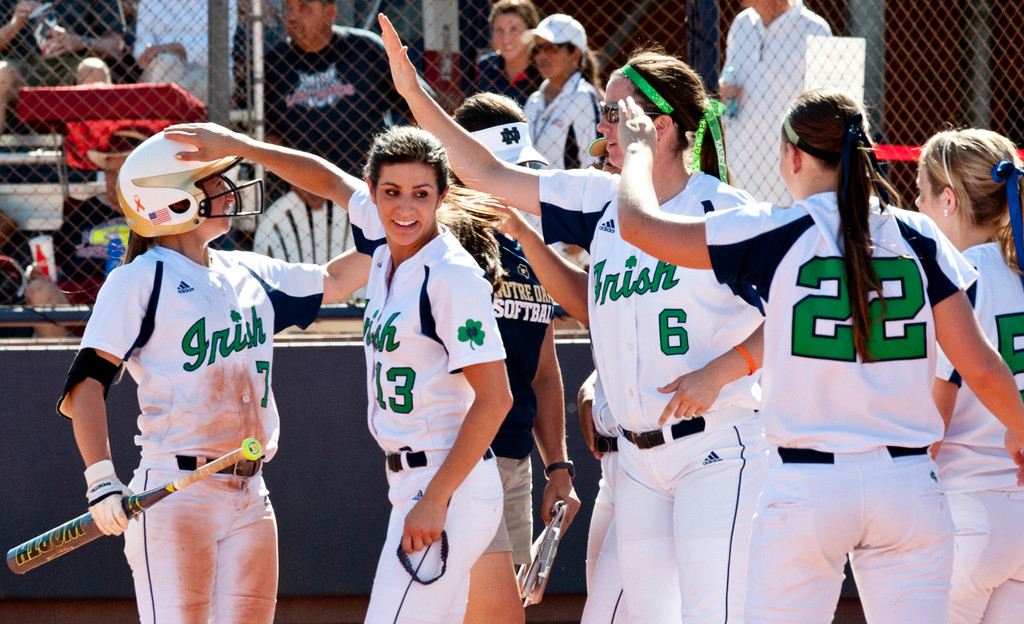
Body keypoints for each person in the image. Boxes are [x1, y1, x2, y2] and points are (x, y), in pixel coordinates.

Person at [382, 16, 769, 622]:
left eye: (616, 113)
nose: (602, 124)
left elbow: (794, 306)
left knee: (712, 614)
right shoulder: (600, 199)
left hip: (716, 449)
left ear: (660, 127)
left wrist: (725, 367)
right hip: (636, 462)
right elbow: (486, 174)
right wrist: (415, 95)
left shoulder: (726, 210)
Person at [612, 87, 1024, 622]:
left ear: (794, 156)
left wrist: (639, 150)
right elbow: (986, 369)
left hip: (806, 486)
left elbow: (638, 226)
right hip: (905, 484)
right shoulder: (919, 234)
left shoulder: (775, 230)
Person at [164, 121, 513, 622]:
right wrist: (244, 147)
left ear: (442, 197)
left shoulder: (451, 275)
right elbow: (327, 181)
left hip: (444, 483)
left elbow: (496, 399)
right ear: (372, 193)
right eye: (390, 193)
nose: (405, 207)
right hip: (416, 481)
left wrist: (436, 499)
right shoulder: (389, 244)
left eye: (421, 193)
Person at [55, 130, 370, 623]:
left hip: (251, 494)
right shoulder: (140, 277)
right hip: (176, 491)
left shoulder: (249, 271)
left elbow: (343, 278)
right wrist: (100, 482)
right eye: (211, 182)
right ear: (172, 199)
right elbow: (86, 384)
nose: (228, 189)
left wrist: (383, 217)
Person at [449, 92, 581, 623]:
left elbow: (544, 371)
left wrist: (559, 464)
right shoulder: (441, 247)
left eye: (520, 171)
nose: (516, 184)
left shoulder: (529, 242)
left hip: (514, 463)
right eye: (501, 172)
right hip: (460, 461)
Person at [917, 128, 1024, 624]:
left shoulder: (955, 280)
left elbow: (931, 425)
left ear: (948, 200)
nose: (916, 206)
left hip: (966, 515)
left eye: (921, 192)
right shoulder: (1017, 273)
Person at [264, 0, 415, 212]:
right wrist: (295, 178)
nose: (291, 17)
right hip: (305, 200)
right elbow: (267, 133)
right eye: (289, 8)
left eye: (303, 8)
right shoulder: (274, 64)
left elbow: (417, 108)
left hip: (371, 191)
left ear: (330, 13)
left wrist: (406, 167)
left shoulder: (365, 51)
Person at [720, 0, 831, 206]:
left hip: (787, 172)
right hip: (739, 166)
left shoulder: (815, 29)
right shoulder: (741, 24)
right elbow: (729, 79)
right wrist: (728, 90)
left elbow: (822, 112)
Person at [0, 0, 125, 132]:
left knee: (94, 69)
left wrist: (79, 42)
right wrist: (14, 25)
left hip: (74, 64)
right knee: (1, 73)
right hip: (22, 67)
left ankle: (96, 148)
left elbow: (117, 46)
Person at [523, 13, 601, 171]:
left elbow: (595, 164)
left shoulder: (583, 97)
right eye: (537, 49)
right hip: (531, 193)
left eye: (551, 48)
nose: (541, 56)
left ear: (575, 54)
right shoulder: (533, 100)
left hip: (571, 196)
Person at [133, 0, 237, 104]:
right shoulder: (149, 2)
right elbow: (140, 49)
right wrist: (159, 55)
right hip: (161, 68)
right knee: (165, 64)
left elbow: (219, 50)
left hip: (210, 73)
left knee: (164, 68)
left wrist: (174, 49)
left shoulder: (224, 2)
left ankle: (166, 114)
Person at [473, 0, 541, 107]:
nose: (506, 40)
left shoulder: (544, 71)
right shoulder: (484, 67)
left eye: (514, 29)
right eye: (499, 30)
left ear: (530, 31)